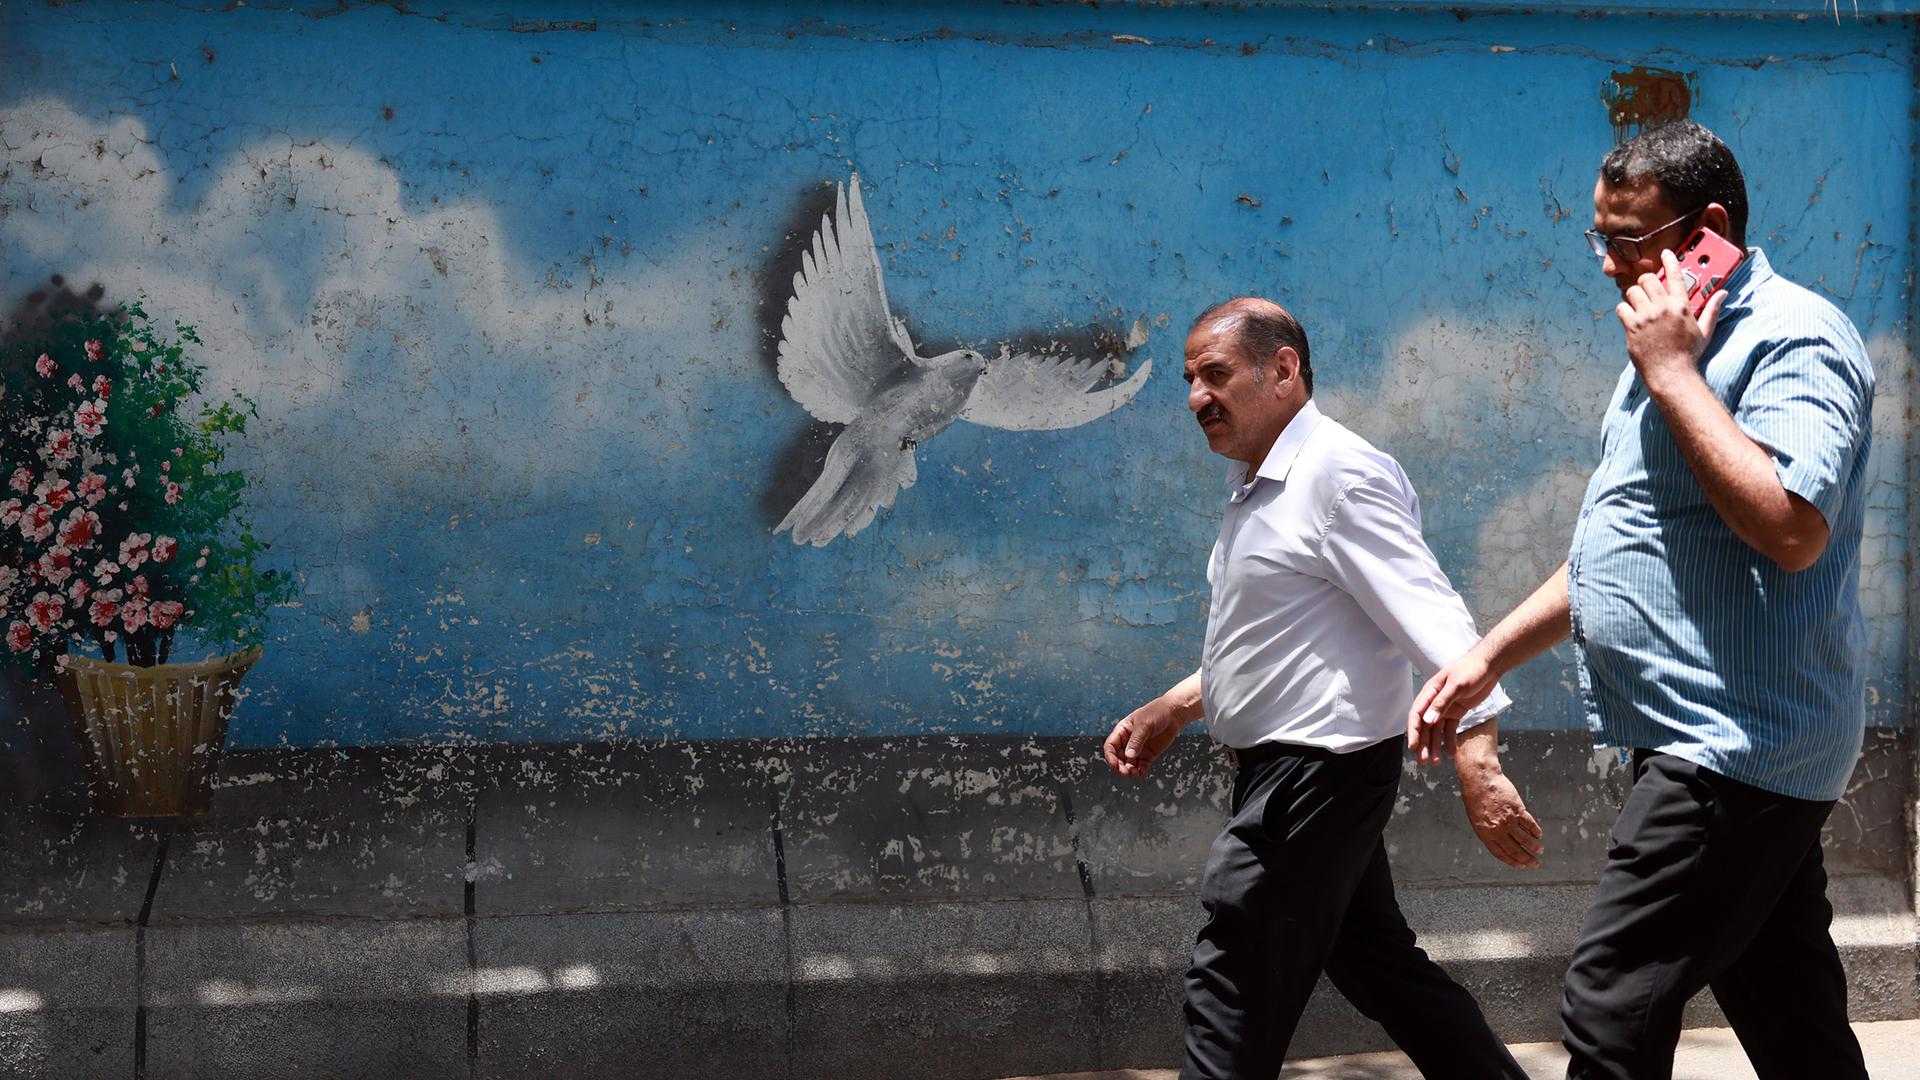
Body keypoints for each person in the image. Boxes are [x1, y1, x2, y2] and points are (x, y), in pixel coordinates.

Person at [1410, 119, 1874, 1080]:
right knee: (1790, 1017)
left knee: (1611, 1001)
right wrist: (1488, 657)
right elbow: (1628, 545)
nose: (1612, 267)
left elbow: (1791, 527)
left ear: (1708, 228)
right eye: (1600, 241)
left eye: (1630, 240)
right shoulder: (1674, 343)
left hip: (1738, 741)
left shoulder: (1793, 338)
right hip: (1704, 736)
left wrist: (1671, 371)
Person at [1103, 296, 1537, 1080]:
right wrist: (1175, 705)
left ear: (1283, 369)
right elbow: (1275, 638)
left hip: (1315, 776)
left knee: (1232, 974)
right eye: (1189, 379)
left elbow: (1437, 621)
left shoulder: (1337, 475)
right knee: (1379, 968)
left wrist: (1480, 760)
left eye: (1215, 374)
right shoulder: (1259, 485)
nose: (1196, 396)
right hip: (1291, 773)